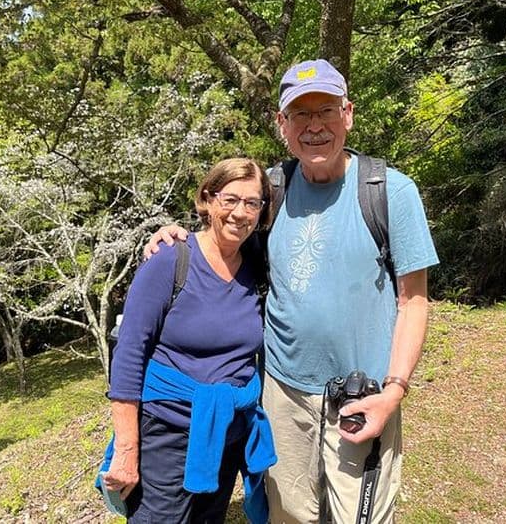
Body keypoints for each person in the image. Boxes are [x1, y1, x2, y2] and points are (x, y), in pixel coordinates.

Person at [145, 59, 439, 523]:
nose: (314, 126)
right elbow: (223, 235)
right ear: (283, 124)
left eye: (325, 110)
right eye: (300, 114)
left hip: (361, 393)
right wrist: (173, 236)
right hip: (281, 394)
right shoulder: (271, 190)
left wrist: (394, 391)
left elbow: (414, 301)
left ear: (348, 114)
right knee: (287, 516)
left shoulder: (390, 191)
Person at [99, 158, 277, 524]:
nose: (240, 213)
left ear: (261, 212)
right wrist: (127, 449)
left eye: (252, 203)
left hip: (228, 432)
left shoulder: (256, 262)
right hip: (167, 433)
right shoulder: (170, 259)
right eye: (230, 199)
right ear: (208, 200)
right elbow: (130, 354)